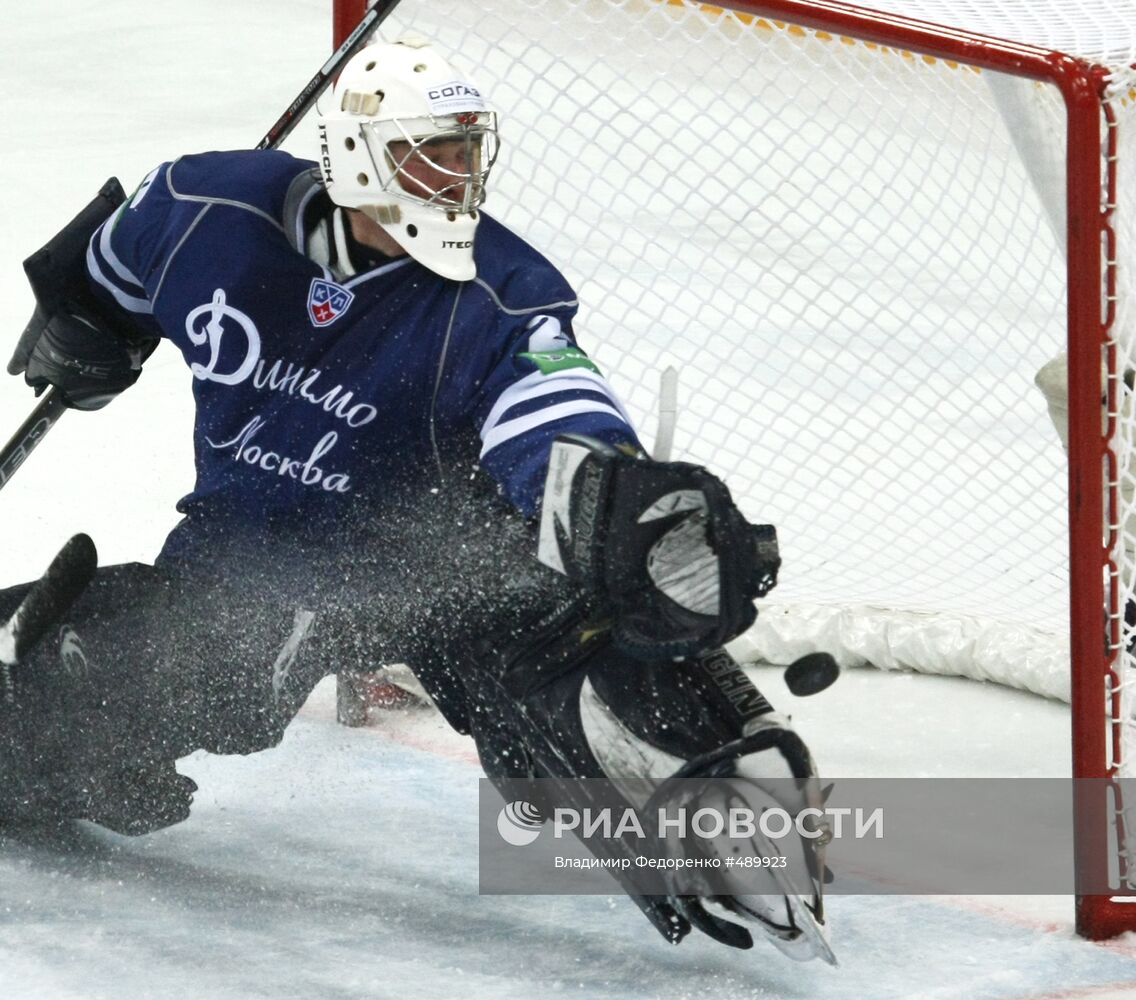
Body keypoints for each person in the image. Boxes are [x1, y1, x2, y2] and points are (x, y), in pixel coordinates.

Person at [0, 36, 831, 960]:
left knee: (598, 674)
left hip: (446, 570)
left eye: (468, 151)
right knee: (86, 700)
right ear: (357, 155)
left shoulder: (502, 292)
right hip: (251, 564)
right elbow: (107, 268)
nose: (456, 177)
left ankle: (744, 825)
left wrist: (618, 500)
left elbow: (554, 409)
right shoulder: (202, 206)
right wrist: (84, 325)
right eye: (429, 152)